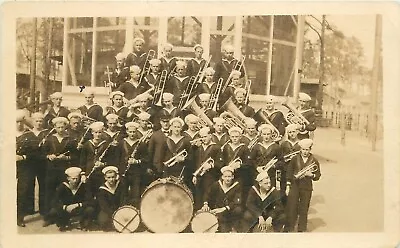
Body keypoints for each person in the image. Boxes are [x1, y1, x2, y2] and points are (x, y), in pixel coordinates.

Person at [42, 117, 77, 221]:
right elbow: (43, 153)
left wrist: (66, 157)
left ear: (66, 127)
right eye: (58, 127)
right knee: (49, 192)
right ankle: (48, 216)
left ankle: (63, 216)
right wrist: (49, 156)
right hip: (51, 170)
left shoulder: (70, 139)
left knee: (63, 192)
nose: (61, 129)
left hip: (64, 170)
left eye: (62, 127)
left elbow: (75, 155)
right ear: (54, 127)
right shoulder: (49, 139)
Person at [285, 138, 321, 232]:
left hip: (306, 188)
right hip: (295, 186)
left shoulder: (314, 160)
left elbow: (318, 176)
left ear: (310, 149)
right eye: (303, 149)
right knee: (292, 207)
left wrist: (311, 175)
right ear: (300, 149)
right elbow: (289, 172)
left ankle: (301, 229)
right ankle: (289, 227)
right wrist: (288, 185)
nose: (305, 152)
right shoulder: (294, 158)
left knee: (304, 209)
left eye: (307, 149)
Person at [44, 167, 96, 231]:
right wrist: (65, 207)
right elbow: (54, 201)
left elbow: (91, 201)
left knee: (90, 209)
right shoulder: (62, 186)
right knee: (54, 211)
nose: (75, 181)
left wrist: (78, 205)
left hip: (79, 208)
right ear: (68, 178)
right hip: (67, 209)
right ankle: (63, 222)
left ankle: (83, 222)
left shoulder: (83, 186)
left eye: (77, 178)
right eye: (73, 179)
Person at [114, 122, 150, 207]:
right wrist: (118, 172)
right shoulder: (121, 143)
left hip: (136, 173)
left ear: (136, 131)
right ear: (127, 131)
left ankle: (135, 212)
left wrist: (136, 161)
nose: (132, 134)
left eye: (134, 132)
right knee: (123, 194)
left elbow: (147, 159)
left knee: (136, 194)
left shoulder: (141, 144)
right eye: (130, 132)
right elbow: (117, 158)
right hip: (123, 172)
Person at [202, 166, 243, 233]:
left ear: (233, 177)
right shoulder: (217, 184)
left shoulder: (237, 186)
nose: (227, 179)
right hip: (217, 209)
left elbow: (237, 200)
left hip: (229, 211)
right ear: (222, 177)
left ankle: (232, 228)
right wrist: (205, 204)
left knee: (238, 210)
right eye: (225, 176)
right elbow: (207, 194)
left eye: (229, 176)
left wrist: (225, 208)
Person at [79, 122, 113, 197]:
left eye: (100, 132)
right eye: (95, 132)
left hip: (101, 174)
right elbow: (82, 160)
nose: (98, 134)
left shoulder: (106, 145)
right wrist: (83, 174)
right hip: (89, 173)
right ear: (92, 132)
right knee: (89, 193)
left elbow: (111, 160)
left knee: (100, 193)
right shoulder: (87, 144)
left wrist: (103, 164)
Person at [192, 127, 222, 210]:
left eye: (205, 136)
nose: (203, 139)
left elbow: (221, 163)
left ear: (210, 136)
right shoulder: (198, 148)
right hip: (199, 177)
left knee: (208, 197)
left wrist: (211, 166)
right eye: (201, 137)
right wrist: (195, 175)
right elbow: (195, 163)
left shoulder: (216, 147)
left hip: (210, 177)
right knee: (198, 197)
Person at [16, 110, 35, 227]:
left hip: (24, 166)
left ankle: (20, 217)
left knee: (22, 191)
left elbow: (35, 153)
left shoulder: (29, 135)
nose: (19, 124)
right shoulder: (6, 133)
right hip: (8, 166)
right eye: (16, 122)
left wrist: (23, 156)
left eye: (21, 122)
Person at [249, 124, 283, 190]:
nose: (266, 136)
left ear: (271, 134)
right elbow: (251, 160)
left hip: (271, 174)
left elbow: (281, 161)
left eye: (268, 134)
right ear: (261, 135)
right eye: (264, 134)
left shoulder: (276, 147)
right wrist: (257, 167)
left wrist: (273, 166)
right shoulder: (256, 147)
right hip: (259, 174)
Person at [221, 126, 251, 198]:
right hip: (227, 174)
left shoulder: (244, 148)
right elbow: (223, 161)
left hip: (239, 175)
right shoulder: (226, 147)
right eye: (233, 136)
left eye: (236, 136)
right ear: (230, 137)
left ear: (240, 137)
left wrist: (240, 165)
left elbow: (249, 163)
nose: (234, 138)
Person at [97, 166, 129, 231]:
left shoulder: (120, 185)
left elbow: (123, 199)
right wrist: (114, 214)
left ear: (116, 177)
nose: (111, 179)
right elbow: (104, 206)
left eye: (113, 177)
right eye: (109, 177)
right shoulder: (102, 189)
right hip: (108, 210)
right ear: (105, 178)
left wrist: (120, 211)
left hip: (119, 208)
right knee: (103, 221)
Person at [162, 117, 193, 183]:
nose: (176, 129)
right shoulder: (166, 140)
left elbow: (191, 156)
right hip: (168, 170)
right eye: (175, 127)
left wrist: (184, 159)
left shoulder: (186, 141)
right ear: (171, 128)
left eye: (178, 127)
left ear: (181, 128)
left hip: (181, 170)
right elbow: (161, 156)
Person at [280, 124, 301, 205]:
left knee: (295, 189)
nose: (292, 134)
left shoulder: (300, 144)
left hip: (296, 170)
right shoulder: (284, 144)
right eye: (290, 132)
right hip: (285, 169)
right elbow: (280, 157)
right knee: (283, 188)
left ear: (297, 132)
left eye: (294, 132)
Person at [148, 112, 171, 178]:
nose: (166, 124)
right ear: (160, 122)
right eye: (164, 122)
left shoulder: (174, 134)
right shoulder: (155, 135)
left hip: (171, 167)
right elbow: (150, 152)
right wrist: (149, 166)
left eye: (167, 121)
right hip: (157, 167)